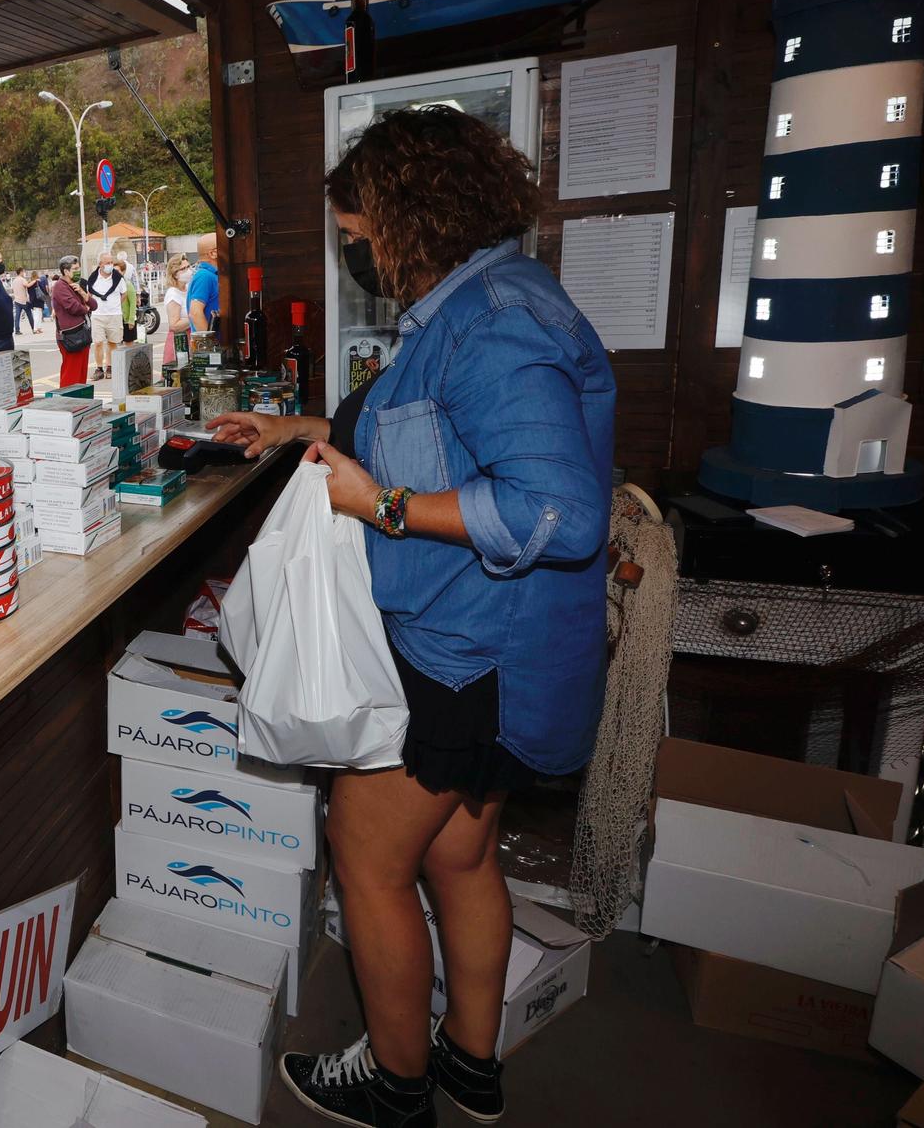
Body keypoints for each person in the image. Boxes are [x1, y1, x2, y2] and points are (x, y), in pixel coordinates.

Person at [211, 107, 613, 1128]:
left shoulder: (491, 325)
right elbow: (425, 434)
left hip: (466, 655)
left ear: (402, 219)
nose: (354, 254)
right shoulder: (486, 295)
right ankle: (468, 1067)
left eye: (355, 235)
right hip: (495, 651)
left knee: (367, 855)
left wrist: (376, 507)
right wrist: (297, 429)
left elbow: (552, 511)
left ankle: (395, 1086)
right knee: (457, 854)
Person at [49, 255, 91, 389]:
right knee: (71, 375)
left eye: (79, 268)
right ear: (66, 271)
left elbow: (94, 304)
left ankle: (81, 404)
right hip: (71, 337)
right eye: (75, 268)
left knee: (81, 373)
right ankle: (68, 403)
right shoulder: (60, 286)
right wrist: (86, 308)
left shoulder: (76, 284)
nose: (78, 271)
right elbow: (74, 307)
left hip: (82, 334)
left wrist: (84, 294)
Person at [84, 252, 127, 381]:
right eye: (107, 263)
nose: (110, 265)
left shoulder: (118, 278)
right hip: (98, 315)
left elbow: (124, 293)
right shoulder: (92, 278)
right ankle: (99, 368)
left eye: (111, 262)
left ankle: (110, 366)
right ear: (100, 264)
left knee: (112, 342)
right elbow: (89, 294)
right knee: (97, 343)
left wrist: (115, 304)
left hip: (114, 314)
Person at [161, 256, 193, 365]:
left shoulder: (188, 288)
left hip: (190, 339)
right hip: (180, 342)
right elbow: (174, 325)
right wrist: (195, 316)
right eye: (183, 269)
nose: (188, 271)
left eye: (188, 267)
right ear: (175, 274)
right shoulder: (173, 294)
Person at [188, 239, 221, 336]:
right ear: (213, 253)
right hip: (212, 348)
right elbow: (195, 313)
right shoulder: (204, 276)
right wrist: (211, 345)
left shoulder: (208, 275)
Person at [117, 255, 139, 345]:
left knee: (129, 344)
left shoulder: (128, 285)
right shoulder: (114, 286)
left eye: (117, 271)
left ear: (123, 272)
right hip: (118, 319)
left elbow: (133, 304)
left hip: (127, 320)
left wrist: (131, 320)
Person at [8, 270, 31, 335]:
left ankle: (17, 330)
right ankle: (33, 328)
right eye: (23, 272)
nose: (24, 273)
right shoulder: (22, 279)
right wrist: (35, 281)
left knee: (17, 317)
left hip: (17, 300)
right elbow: (27, 285)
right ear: (21, 272)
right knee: (30, 316)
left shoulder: (14, 280)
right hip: (23, 301)